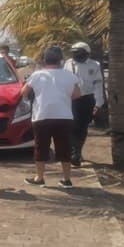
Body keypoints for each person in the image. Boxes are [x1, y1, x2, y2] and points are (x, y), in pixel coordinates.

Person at [22, 46, 81, 189]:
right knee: (64, 148)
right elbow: (77, 95)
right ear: (61, 61)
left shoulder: (37, 75)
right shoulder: (70, 76)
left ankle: (39, 177)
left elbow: (23, 93)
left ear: (44, 60)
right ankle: (67, 180)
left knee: (41, 147)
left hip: (43, 115)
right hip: (64, 116)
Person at [64, 42, 104, 166]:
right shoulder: (68, 63)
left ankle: (77, 152)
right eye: (74, 53)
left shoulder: (94, 65)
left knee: (82, 128)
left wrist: (98, 103)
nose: (76, 55)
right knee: (72, 126)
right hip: (72, 100)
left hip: (87, 100)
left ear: (87, 54)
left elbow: (98, 84)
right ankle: (73, 152)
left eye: (79, 53)